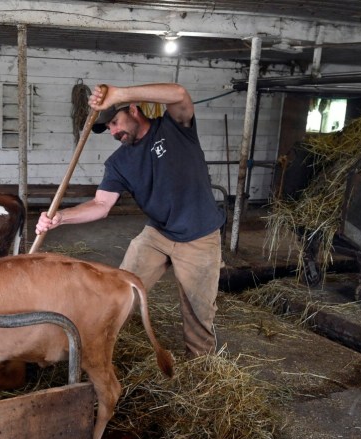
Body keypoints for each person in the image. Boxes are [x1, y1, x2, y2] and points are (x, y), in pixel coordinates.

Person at [35, 83, 225, 357]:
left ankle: (201, 367)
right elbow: (101, 204)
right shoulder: (118, 163)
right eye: (108, 129)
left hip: (200, 235)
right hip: (159, 234)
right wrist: (60, 217)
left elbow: (181, 94)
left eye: (114, 121)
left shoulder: (174, 128)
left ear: (133, 109)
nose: (113, 132)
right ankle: (94, 350)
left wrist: (121, 93)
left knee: (198, 309)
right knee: (120, 288)